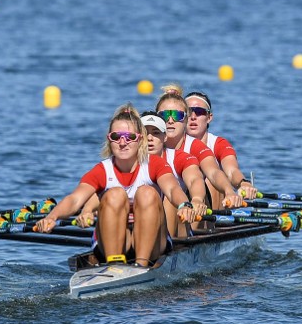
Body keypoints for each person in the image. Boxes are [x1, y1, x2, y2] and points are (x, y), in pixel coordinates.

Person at [33, 103, 199, 267]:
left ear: (139, 139)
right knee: (115, 194)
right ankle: (114, 265)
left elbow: (172, 189)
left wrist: (184, 205)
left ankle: (141, 265)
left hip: (154, 243)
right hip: (117, 242)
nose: (122, 142)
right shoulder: (102, 170)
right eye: (116, 137)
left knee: (147, 193)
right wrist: (51, 217)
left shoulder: (154, 164)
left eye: (130, 137)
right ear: (109, 140)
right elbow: (75, 199)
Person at [154, 84, 245, 210]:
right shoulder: (147, 144)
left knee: (208, 181)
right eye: (164, 115)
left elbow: (215, 173)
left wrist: (232, 189)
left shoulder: (200, 146)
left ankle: (217, 225)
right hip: (158, 205)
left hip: (190, 208)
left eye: (177, 115)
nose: (170, 120)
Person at [184, 90, 259, 208]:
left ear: (209, 117)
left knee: (211, 180)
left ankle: (214, 224)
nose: (193, 117)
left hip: (212, 209)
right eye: (188, 112)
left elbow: (232, 171)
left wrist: (243, 183)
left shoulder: (219, 144)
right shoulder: (172, 143)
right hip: (184, 201)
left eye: (199, 112)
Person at [141, 111, 208, 237]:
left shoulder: (178, 157)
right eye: (144, 133)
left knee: (170, 198)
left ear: (165, 137)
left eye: (156, 133)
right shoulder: (127, 162)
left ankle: (168, 247)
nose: (149, 138)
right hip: (142, 222)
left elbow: (195, 179)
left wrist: (197, 199)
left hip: (176, 226)